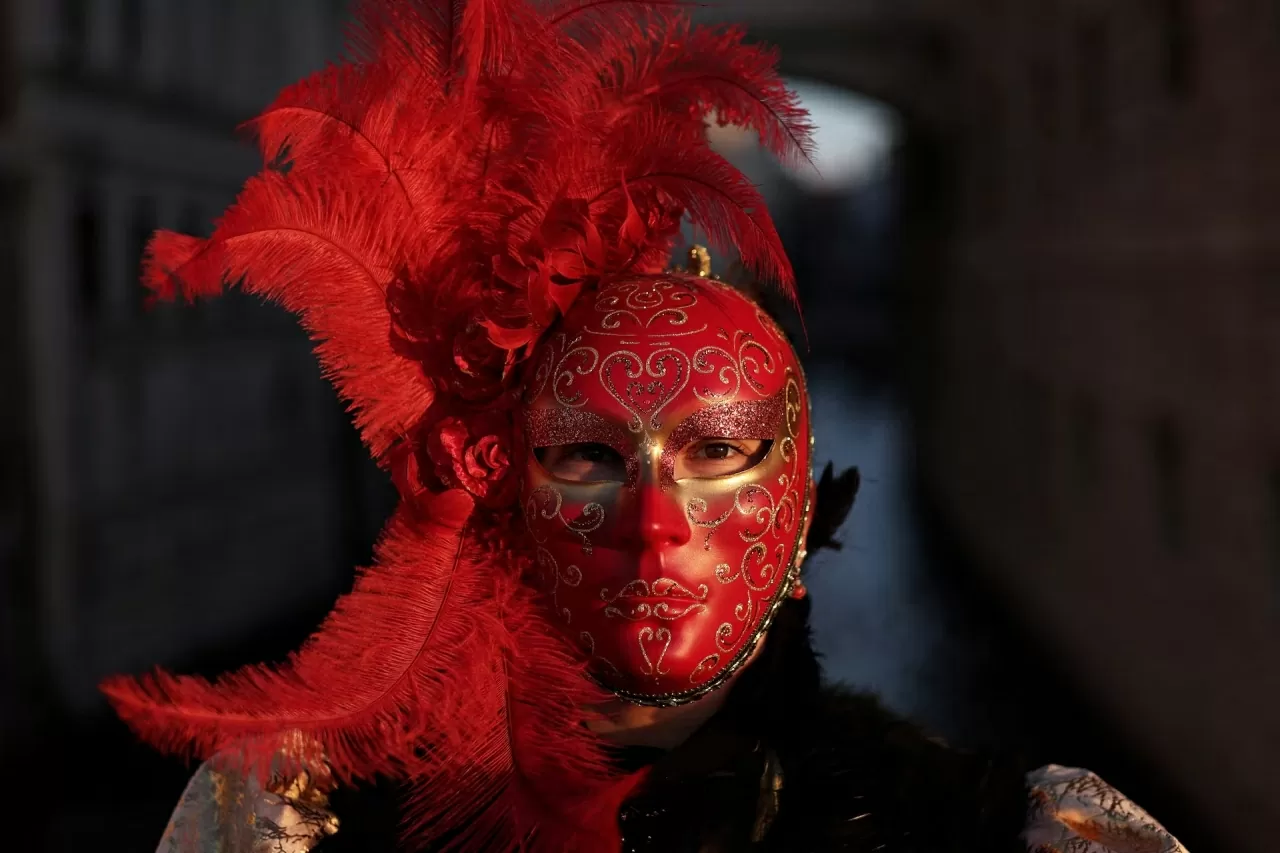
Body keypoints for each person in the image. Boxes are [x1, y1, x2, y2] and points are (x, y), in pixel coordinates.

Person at [103, 1, 1190, 851]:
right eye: (589, 455)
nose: (654, 526)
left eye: (715, 450)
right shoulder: (301, 825)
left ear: (804, 514)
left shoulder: (993, 833)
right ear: (505, 495)